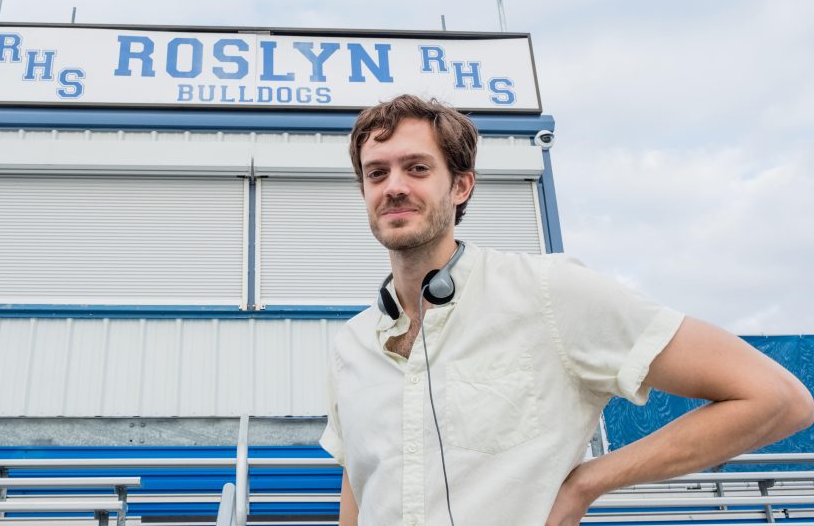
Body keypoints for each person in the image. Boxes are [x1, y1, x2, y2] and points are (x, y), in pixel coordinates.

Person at [318, 94, 814, 526]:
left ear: (462, 186)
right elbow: (359, 488)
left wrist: (587, 483)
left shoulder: (549, 293)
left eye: (418, 168)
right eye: (376, 173)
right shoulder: (351, 345)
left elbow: (777, 399)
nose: (394, 186)